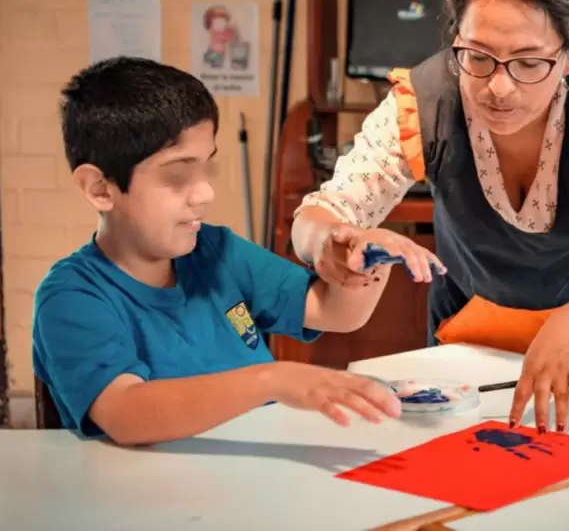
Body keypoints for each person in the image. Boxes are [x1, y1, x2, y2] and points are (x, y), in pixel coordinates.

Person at [291, 0, 569, 434]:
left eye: (529, 62)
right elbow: (323, 212)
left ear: (566, 59)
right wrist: (327, 243)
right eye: (477, 56)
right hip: (466, 341)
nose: (499, 87)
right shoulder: (426, 100)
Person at [32, 58, 439, 446]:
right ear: (100, 189)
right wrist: (273, 379)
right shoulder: (72, 297)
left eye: (207, 168)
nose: (206, 194)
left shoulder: (215, 251)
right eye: (177, 176)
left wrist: (368, 256)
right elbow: (124, 413)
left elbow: (335, 312)